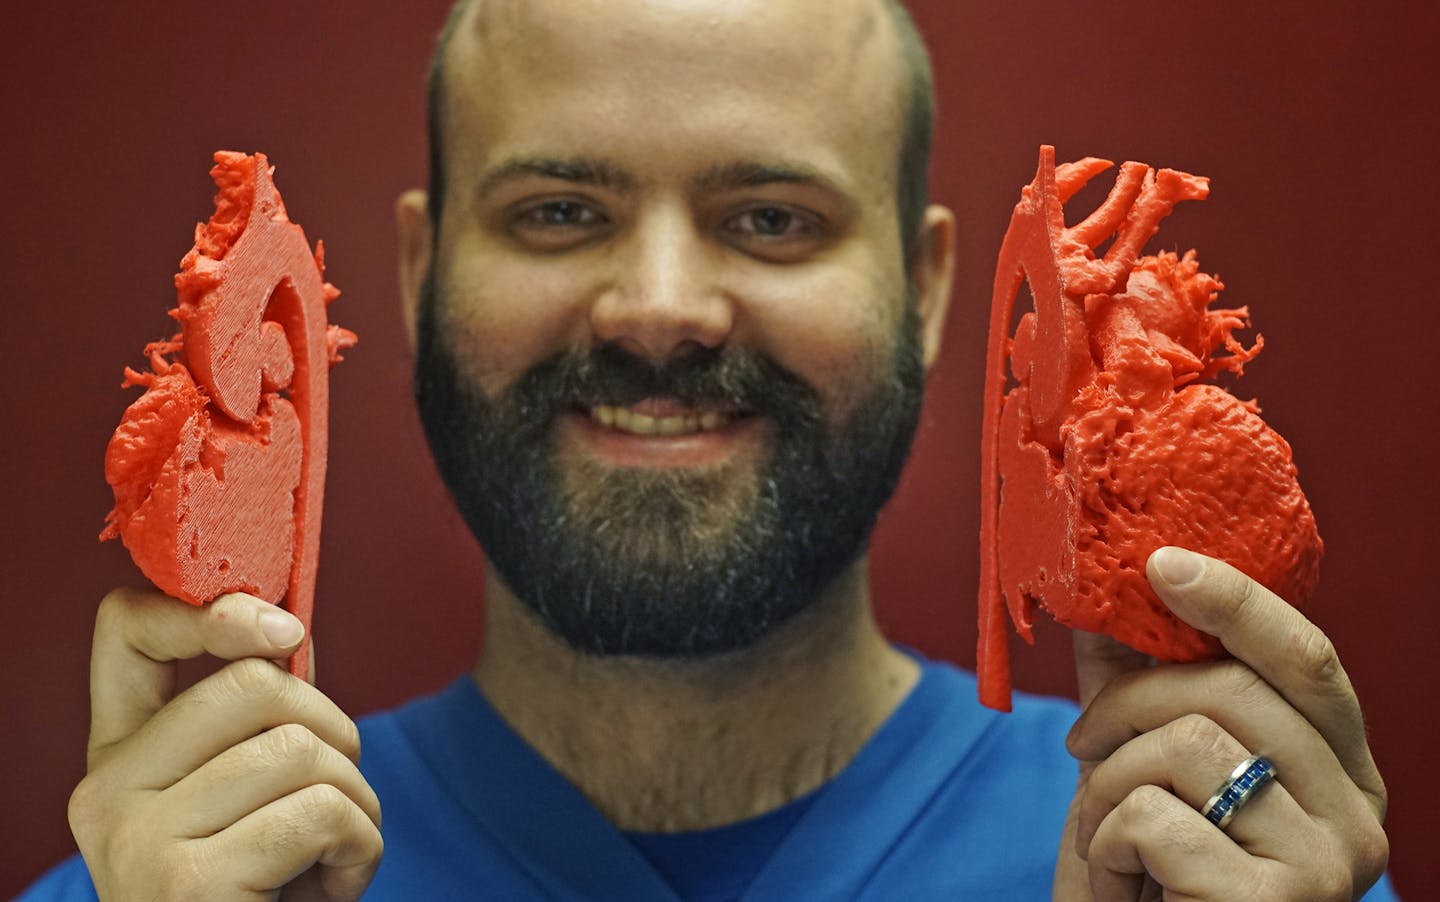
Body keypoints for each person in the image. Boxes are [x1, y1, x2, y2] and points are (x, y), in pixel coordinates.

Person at [24, 0, 1395, 899]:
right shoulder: (155, 872)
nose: (660, 308)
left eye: (772, 218)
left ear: (926, 293)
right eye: (560, 211)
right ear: (416, 271)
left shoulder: (1227, 855)